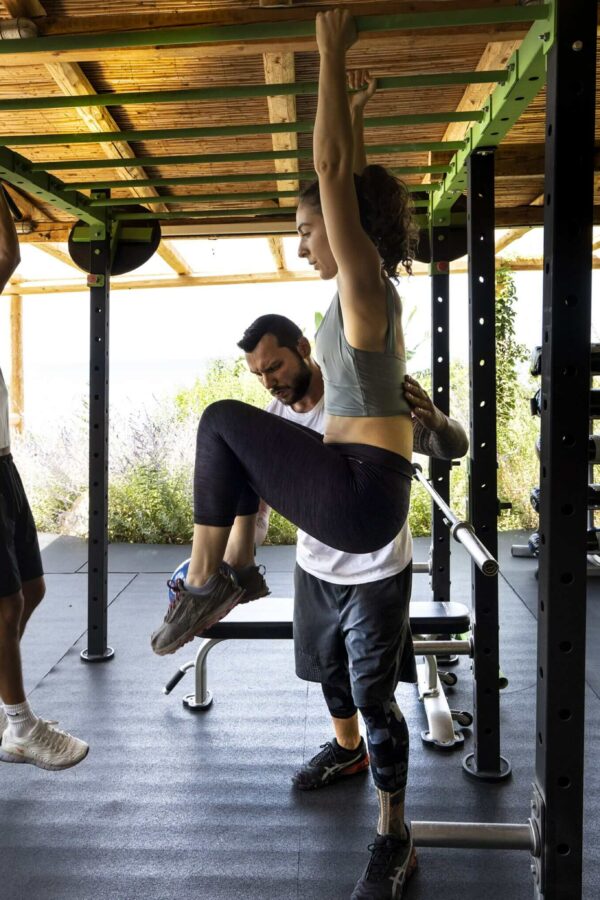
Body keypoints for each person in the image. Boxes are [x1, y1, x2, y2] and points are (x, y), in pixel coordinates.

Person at [150, 7, 420, 658]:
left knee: (218, 419)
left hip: (362, 490)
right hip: (359, 484)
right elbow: (346, 178)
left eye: (306, 230)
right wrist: (356, 112)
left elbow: (332, 177)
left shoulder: (365, 286)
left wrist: (326, 54)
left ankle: (208, 582)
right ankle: (233, 571)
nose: (302, 245)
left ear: (345, 226)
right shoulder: (359, 295)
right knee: (239, 446)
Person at [238, 311, 468, 899]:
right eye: (259, 374)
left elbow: (454, 447)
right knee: (329, 677)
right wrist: (231, 568)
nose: (271, 382)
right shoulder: (274, 419)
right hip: (315, 569)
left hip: (375, 572)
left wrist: (434, 418)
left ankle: (396, 835)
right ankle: (348, 751)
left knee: (373, 693)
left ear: (304, 350)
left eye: (277, 366)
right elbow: (260, 509)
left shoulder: (365, 403)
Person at [0, 184, 89, 770]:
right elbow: (7, 259)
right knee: (4, 607)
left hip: (2, 467)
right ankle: (20, 726)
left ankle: (11, 707)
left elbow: (6, 259)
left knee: (31, 592)